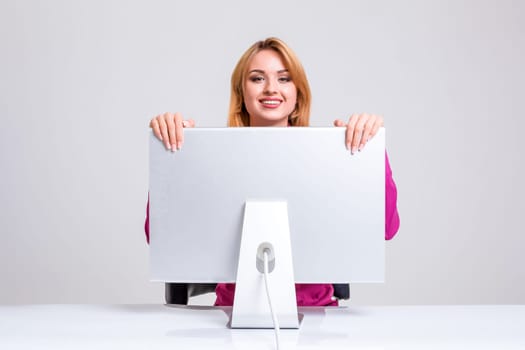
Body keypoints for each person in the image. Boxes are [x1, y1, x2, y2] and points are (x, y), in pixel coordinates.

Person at [146, 37, 400, 306]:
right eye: (257, 79)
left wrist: (369, 150)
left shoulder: (327, 157)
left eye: (284, 78)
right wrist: (172, 154)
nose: (270, 89)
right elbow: (158, 235)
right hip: (230, 315)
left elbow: (387, 228)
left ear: (297, 93)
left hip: (317, 318)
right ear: (241, 93)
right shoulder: (210, 158)